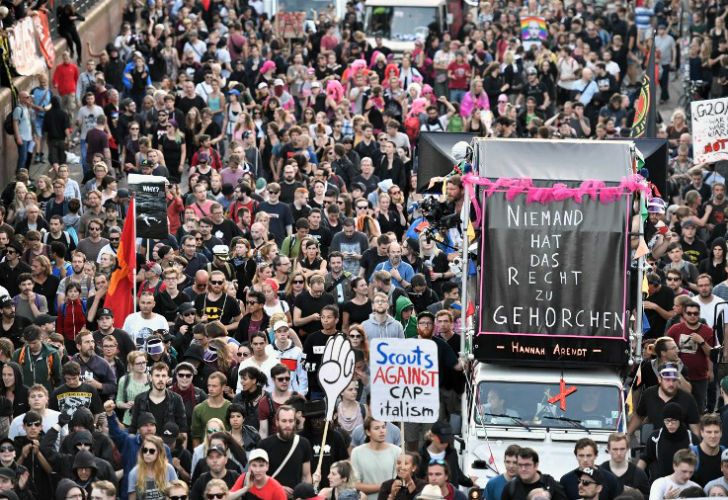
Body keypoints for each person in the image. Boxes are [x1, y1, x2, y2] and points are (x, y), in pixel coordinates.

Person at [628, 364, 701, 439]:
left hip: (681, 442)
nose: (671, 384)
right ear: (659, 379)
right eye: (667, 380)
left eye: (674, 380)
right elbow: (639, 416)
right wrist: (627, 434)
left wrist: (696, 447)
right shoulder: (648, 394)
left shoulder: (688, 398)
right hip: (656, 440)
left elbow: (694, 426)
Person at [257, 405, 313, 493]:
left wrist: (304, 495)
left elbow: (306, 476)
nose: (288, 425)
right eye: (284, 421)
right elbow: (258, 477)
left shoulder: (304, 443)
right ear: (277, 422)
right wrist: (277, 489)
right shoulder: (264, 445)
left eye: (291, 421)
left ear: (295, 422)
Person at [129, 362, 187, 439]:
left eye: (163, 376)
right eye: (157, 376)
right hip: (146, 446)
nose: (160, 379)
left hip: (168, 445)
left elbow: (183, 431)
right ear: (150, 377)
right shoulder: (140, 399)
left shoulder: (176, 399)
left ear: (167, 378)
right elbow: (133, 428)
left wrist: (181, 450)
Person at [352, 417, 402, 500]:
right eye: (376, 428)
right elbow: (355, 485)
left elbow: (397, 484)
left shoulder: (397, 451)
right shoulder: (357, 452)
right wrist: (385, 487)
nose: (382, 431)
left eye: (383, 427)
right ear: (368, 432)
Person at [501, 448, 566, 500]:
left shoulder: (551, 484)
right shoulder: (511, 487)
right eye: (520, 465)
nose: (523, 469)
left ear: (536, 465)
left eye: (527, 465)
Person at [127, 434, 177, 500]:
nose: (147, 453)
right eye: (145, 450)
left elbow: (177, 492)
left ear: (159, 453)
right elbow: (132, 498)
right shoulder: (134, 473)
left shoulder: (169, 469)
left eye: (151, 451)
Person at [600, 433, 649, 498]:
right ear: (608, 449)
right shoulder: (599, 472)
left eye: (622, 449)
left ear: (627, 449)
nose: (619, 453)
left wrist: (634, 493)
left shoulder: (639, 474)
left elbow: (648, 497)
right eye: (615, 449)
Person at [191, 372, 231, 447]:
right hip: (205, 452)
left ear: (223, 387)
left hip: (226, 452)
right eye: (209, 385)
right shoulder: (199, 409)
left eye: (214, 386)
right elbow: (196, 437)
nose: (211, 389)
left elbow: (234, 434)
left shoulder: (230, 408)